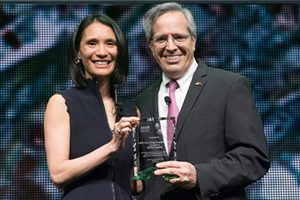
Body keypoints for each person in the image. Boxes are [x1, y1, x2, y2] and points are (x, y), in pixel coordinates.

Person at [135, 2, 270, 200]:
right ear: (151, 46)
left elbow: (254, 157)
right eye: (161, 39)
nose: (171, 46)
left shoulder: (229, 86)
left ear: (193, 41)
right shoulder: (142, 101)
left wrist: (200, 175)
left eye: (179, 37)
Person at [44, 13, 140, 199]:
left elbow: (135, 183)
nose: (102, 52)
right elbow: (58, 174)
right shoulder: (62, 103)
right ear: (78, 52)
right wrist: (111, 147)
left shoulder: (131, 111)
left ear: (119, 51)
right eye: (92, 43)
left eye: (110, 43)